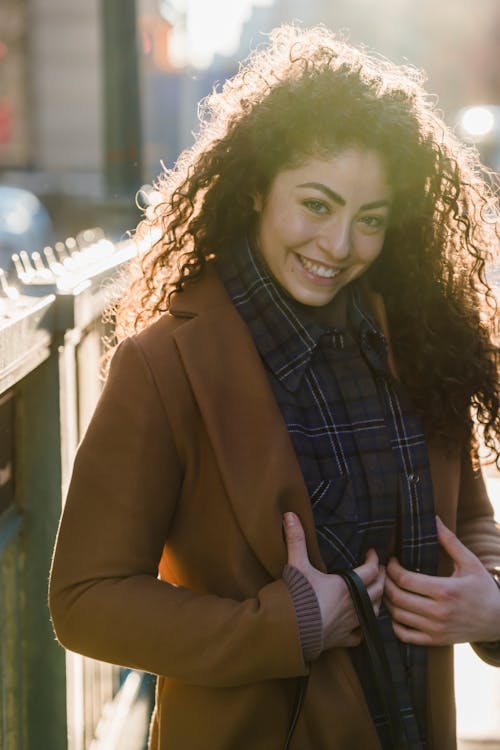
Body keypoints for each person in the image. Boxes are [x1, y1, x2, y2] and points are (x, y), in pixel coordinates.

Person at [49, 24, 500, 750]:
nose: (340, 246)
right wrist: (283, 626)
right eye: (317, 205)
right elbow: (84, 602)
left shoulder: (415, 341)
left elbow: (469, 521)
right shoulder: (167, 364)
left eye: (371, 221)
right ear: (258, 186)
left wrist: (492, 605)